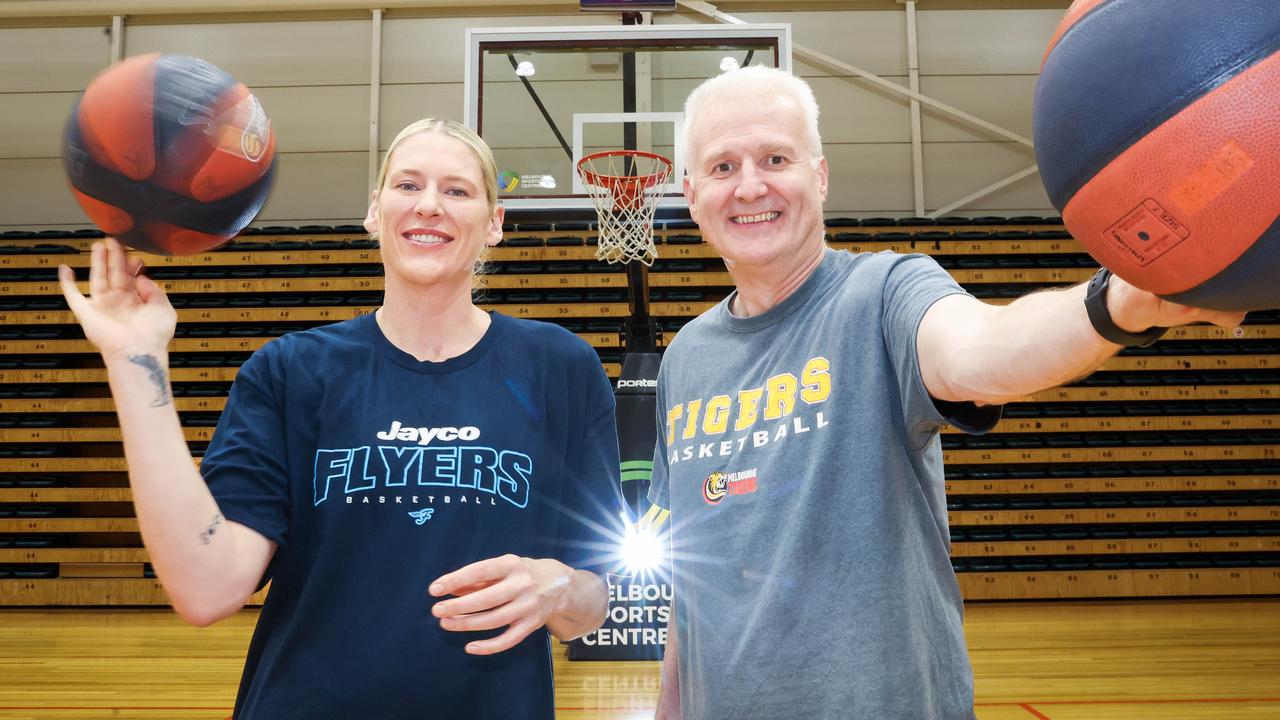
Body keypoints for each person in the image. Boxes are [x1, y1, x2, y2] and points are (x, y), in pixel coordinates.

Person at [649, 66, 1244, 719]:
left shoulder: (883, 293)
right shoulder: (686, 360)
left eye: (775, 158)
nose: (751, 185)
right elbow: (692, 578)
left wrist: (1112, 305)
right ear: (691, 194)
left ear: (819, 176)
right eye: (723, 167)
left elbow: (980, 352)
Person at [58, 118, 622, 719]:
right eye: (408, 185)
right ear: (374, 213)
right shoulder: (292, 371)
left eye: (456, 191)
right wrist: (133, 357)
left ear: (495, 224)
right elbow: (205, 589)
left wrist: (559, 586)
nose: (429, 205)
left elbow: (593, 599)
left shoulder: (559, 367)